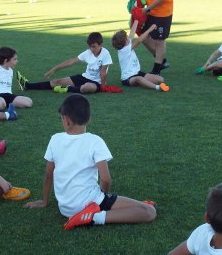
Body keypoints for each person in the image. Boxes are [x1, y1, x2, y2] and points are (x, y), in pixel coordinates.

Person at [24, 94, 156, 229]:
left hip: (65, 208)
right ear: (89, 119)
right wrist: (101, 197)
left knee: (138, 205)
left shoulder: (55, 139)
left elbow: (48, 173)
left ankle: (129, 206)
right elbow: (106, 180)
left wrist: (44, 201)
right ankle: (93, 217)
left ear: (67, 120)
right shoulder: (95, 141)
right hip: (89, 203)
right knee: (149, 212)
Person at [16, 32, 112, 94]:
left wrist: (103, 86)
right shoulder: (88, 53)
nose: (92, 49)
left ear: (100, 44)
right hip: (84, 77)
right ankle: (27, 85)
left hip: (96, 83)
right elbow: (71, 61)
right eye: (90, 46)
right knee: (55, 82)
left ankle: (67, 89)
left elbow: (103, 73)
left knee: (86, 88)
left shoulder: (105, 53)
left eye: (94, 46)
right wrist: (54, 69)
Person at [111, 20, 169, 91]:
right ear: (125, 42)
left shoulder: (126, 45)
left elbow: (132, 33)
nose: (129, 37)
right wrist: (150, 29)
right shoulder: (124, 50)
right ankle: (157, 87)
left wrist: (136, 20)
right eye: (127, 37)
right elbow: (139, 40)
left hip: (138, 73)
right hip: (128, 78)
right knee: (139, 79)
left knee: (160, 79)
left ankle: (144, 82)